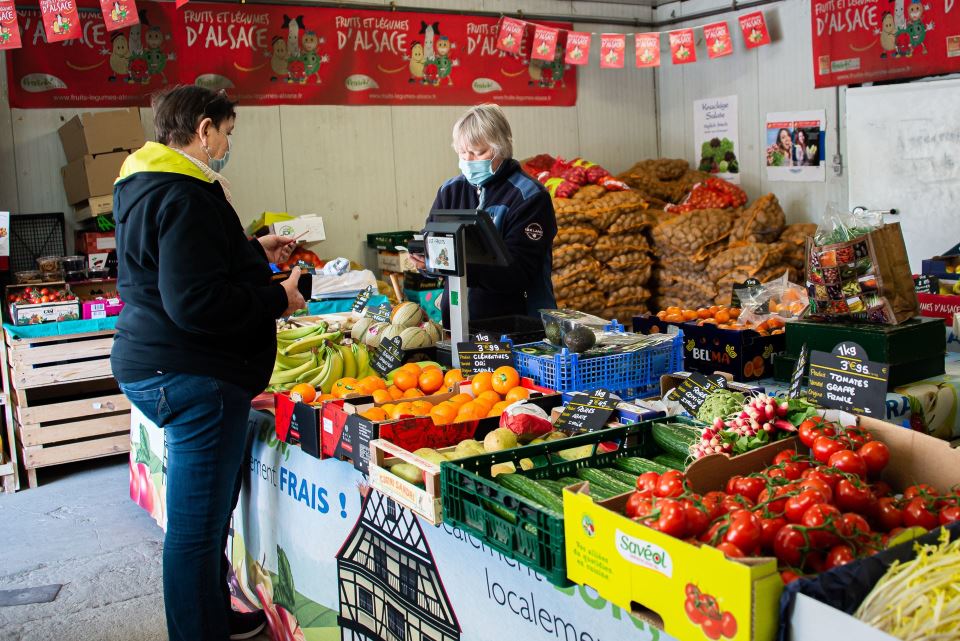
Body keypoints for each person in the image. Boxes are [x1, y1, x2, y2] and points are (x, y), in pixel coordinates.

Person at [110, 85, 306, 641]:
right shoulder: (186, 195)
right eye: (227, 132)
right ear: (203, 129)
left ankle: (214, 616)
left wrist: (251, 251)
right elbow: (194, 301)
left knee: (206, 519)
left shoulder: (145, 183)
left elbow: (178, 266)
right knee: (195, 531)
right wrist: (277, 298)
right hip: (192, 376)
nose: (226, 143)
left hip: (158, 363)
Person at [412, 104, 557, 324]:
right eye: (462, 152)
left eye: (478, 152)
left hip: (516, 326)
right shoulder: (450, 191)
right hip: (457, 323)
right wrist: (427, 263)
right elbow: (434, 242)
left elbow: (519, 272)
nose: (468, 160)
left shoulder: (529, 197)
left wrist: (457, 263)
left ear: (501, 148)